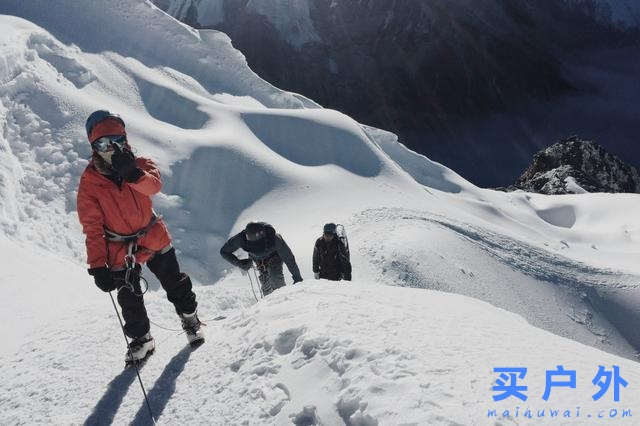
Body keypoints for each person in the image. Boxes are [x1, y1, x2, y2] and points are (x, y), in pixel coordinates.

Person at [77, 110, 204, 363]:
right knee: (128, 297)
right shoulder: (90, 182)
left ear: (125, 141)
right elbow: (92, 226)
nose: (111, 148)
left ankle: (190, 318)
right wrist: (97, 265)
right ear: (94, 147)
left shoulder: (140, 165)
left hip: (152, 235)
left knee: (175, 282)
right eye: (103, 143)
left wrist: (132, 174)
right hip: (119, 248)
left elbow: (154, 186)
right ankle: (141, 339)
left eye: (117, 141)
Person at [220, 222, 303, 296]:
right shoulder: (241, 239)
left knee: (276, 278)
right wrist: (239, 263)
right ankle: (268, 305)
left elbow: (288, 258)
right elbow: (224, 251)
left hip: (274, 257)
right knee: (266, 289)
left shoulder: (274, 239)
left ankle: (283, 299)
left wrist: (297, 277)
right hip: (259, 262)